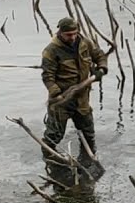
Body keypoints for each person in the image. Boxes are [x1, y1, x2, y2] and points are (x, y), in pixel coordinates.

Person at [41, 17, 107, 168]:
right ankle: (51, 164)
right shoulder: (51, 51)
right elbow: (48, 76)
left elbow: (99, 55)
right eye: (68, 34)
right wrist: (56, 94)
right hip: (61, 102)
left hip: (82, 98)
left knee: (88, 133)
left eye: (74, 33)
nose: (72, 37)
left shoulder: (85, 43)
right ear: (60, 33)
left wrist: (101, 68)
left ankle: (88, 163)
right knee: (53, 137)